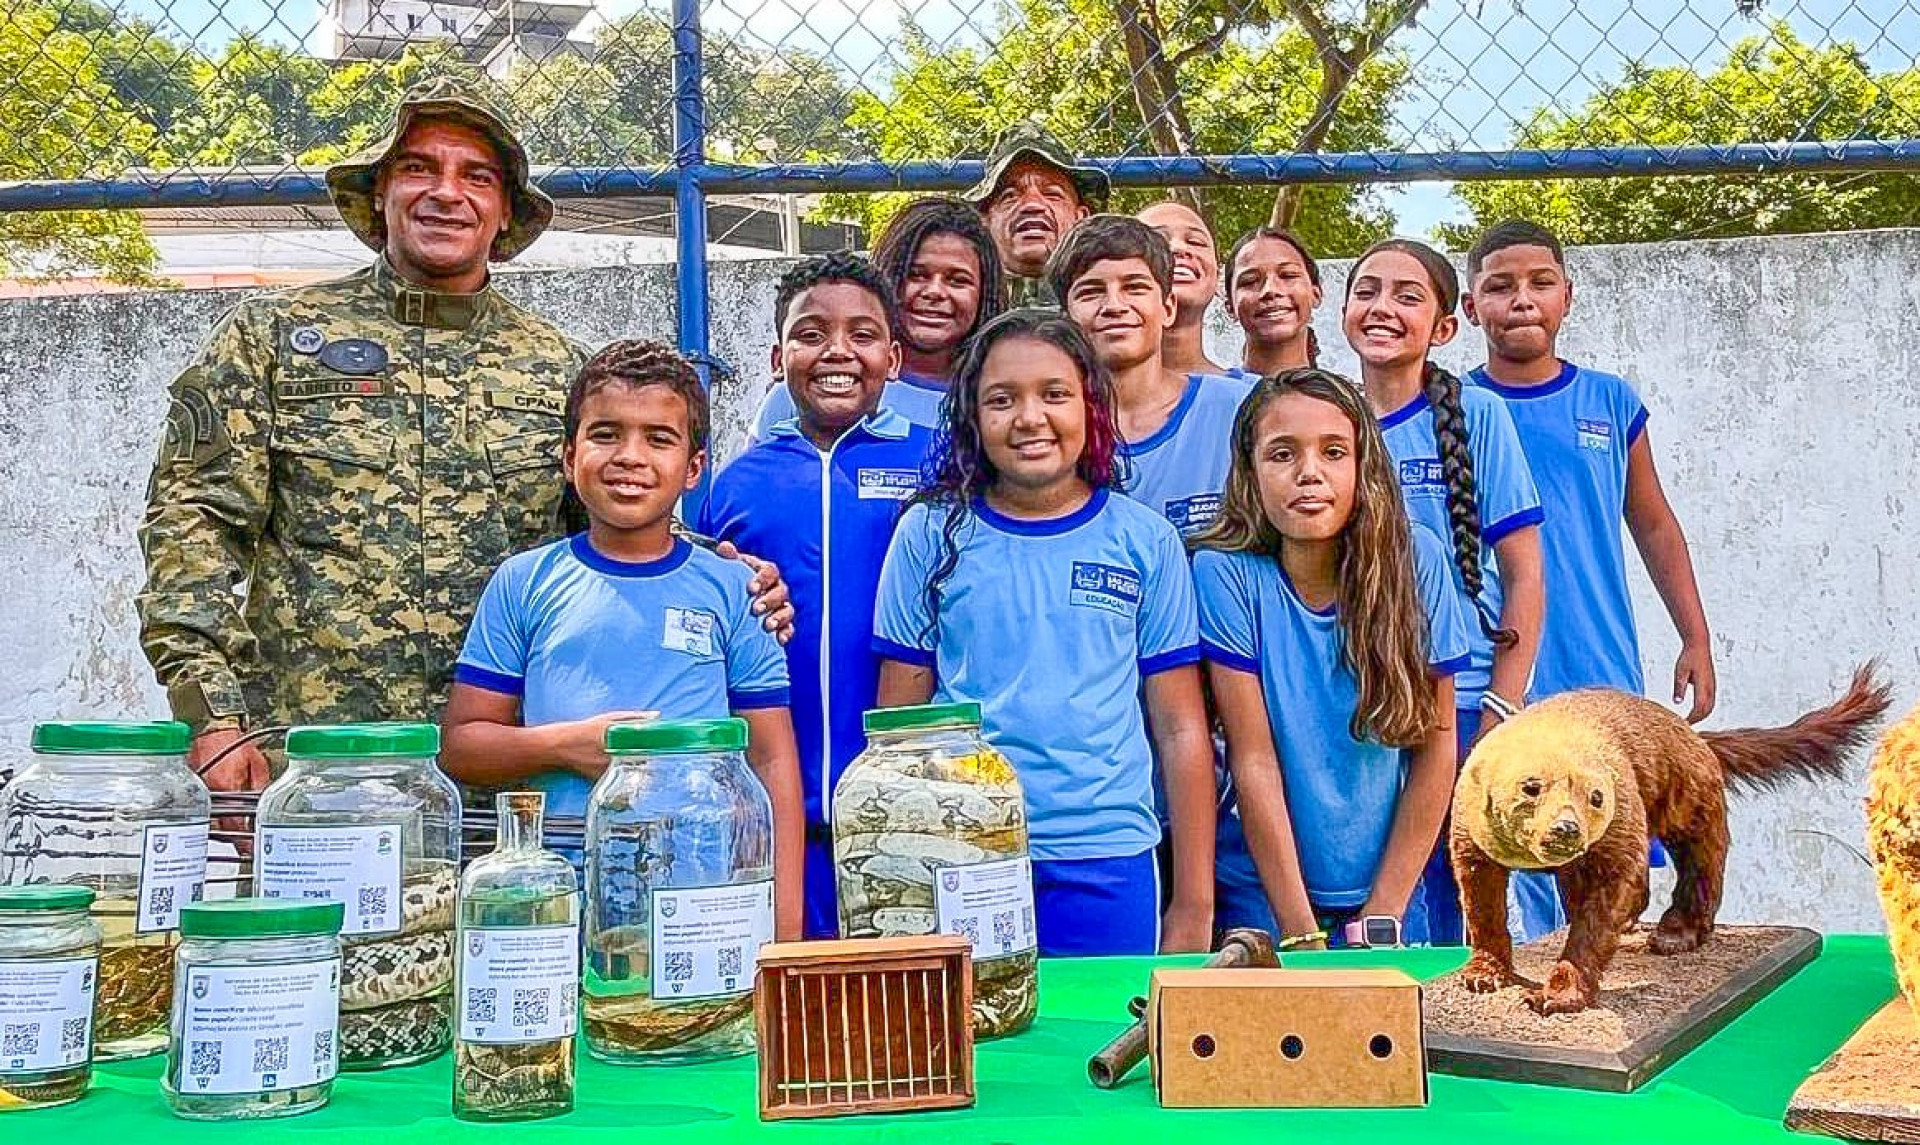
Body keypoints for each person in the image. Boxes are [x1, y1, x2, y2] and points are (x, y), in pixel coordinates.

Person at [137, 78, 790, 796]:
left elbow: (612, 531)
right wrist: (212, 717)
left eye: (477, 177)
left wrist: (732, 579)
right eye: (418, 168)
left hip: (513, 785)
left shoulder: (557, 367)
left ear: (505, 210)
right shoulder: (272, 340)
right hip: (316, 766)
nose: (446, 193)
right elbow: (191, 529)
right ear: (380, 193)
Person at [871, 309, 1215, 955]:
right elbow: (900, 732)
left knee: (1100, 1020)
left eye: (1054, 394)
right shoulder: (928, 534)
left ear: (1091, 407)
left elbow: (1180, 729)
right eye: (1002, 400)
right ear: (972, 417)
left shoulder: (1145, 541)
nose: (1030, 417)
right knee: (980, 1024)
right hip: (965, 850)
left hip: (1107, 856)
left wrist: (1194, 901)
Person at [442, 340, 805, 938]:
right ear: (569, 457)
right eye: (606, 434)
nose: (630, 457)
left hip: (700, 891)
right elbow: (462, 745)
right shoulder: (523, 582)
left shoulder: (736, 588)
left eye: (658, 439)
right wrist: (568, 745)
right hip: (557, 898)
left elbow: (770, 758)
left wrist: (784, 932)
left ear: (694, 467)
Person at [700, 253, 936, 938]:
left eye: (862, 334)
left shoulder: (940, 462)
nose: (837, 351)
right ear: (778, 359)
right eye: (811, 334)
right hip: (776, 819)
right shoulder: (738, 484)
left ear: (894, 358)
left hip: (908, 817)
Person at [1195, 368, 1470, 947]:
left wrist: (1384, 910)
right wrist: (1299, 931)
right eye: (1282, 454)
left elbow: (1436, 747)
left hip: (1391, 878)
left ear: (1363, 467)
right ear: (1249, 472)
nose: (1309, 472)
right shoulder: (1225, 573)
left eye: (1334, 452)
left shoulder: (1416, 559)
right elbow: (1253, 759)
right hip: (1265, 882)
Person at [1339, 237, 1562, 944]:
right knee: (1380, 903)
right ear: (1342, 313)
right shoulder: (1326, 423)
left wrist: (1501, 706)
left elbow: (1524, 573)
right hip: (1359, 705)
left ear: (1442, 327)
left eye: (1407, 296)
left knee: (1462, 897)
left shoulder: (1476, 416)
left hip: (1461, 703)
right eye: (1367, 290)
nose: (1383, 307)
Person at [1462, 219, 1716, 718]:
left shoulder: (1610, 400)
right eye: (1500, 286)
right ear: (1471, 308)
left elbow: (1654, 525)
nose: (1522, 300)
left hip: (1599, 664)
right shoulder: (1451, 407)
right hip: (1485, 677)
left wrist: (1695, 637)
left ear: (1568, 297)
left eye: (1541, 282)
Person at [1046, 215, 1252, 539]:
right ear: (1066, 319)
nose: (1114, 305)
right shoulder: (1045, 428)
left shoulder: (1243, 409)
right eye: (1091, 292)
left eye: (1134, 288)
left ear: (1168, 308)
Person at [750, 199, 1001, 440]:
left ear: (984, 291)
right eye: (916, 275)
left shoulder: (1000, 397)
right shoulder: (808, 390)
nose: (935, 292)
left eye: (957, 280)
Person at [963, 122, 1109, 306]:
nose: (1032, 205)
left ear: (1081, 218)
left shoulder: (1113, 301)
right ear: (985, 220)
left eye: (1052, 194)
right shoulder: (960, 303)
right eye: (1010, 196)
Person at [1137, 200, 1229, 376]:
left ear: (1217, 276)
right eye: (1157, 240)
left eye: (1196, 242)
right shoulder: (1086, 388)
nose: (1178, 247)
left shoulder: (1253, 390)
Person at [1224, 227, 1323, 378]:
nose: (1270, 290)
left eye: (1288, 275)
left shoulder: (1342, 392)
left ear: (1315, 294)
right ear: (1230, 306)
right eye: (1250, 281)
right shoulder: (1209, 391)